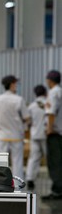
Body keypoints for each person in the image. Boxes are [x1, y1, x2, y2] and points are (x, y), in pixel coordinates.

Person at [0, 75, 29, 180]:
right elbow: (26, 117)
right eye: (16, 83)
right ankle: (18, 184)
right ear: (12, 84)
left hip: (2, 135)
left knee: (0, 160)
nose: (17, 86)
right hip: (16, 135)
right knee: (17, 162)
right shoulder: (19, 100)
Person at [44, 70, 62, 199]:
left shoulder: (53, 92)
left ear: (49, 80)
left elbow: (51, 112)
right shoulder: (60, 91)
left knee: (55, 162)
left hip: (55, 132)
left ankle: (57, 191)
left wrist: (49, 129)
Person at [26, 85, 48, 191]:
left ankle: (30, 179)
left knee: (33, 158)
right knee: (51, 159)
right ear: (45, 93)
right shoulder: (48, 104)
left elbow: (28, 121)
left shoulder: (31, 106)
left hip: (34, 135)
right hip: (46, 135)